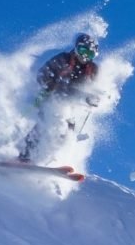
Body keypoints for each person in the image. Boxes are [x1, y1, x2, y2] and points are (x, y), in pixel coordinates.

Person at [18, 34, 101, 162]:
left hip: (70, 105)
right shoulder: (63, 59)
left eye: (89, 54)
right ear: (76, 48)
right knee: (47, 122)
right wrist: (50, 82)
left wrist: (94, 98)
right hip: (51, 96)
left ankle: (49, 158)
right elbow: (42, 74)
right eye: (83, 51)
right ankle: (24, 155)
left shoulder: (93, 70)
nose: (85, 56)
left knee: (69, 131)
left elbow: (95, 90)